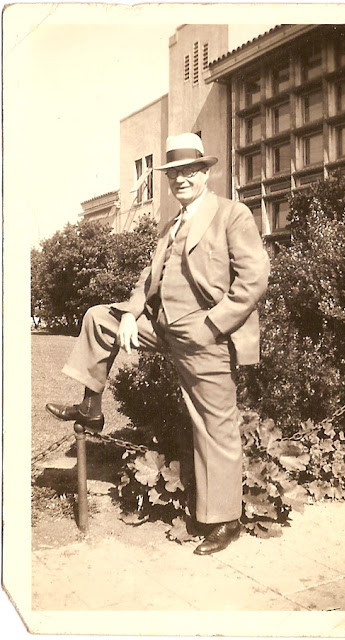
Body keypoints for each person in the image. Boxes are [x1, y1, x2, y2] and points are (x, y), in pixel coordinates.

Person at [46, 133, 270, 555]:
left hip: (207, 336)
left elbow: (254, 278)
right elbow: (149, 281)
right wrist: (131, 313)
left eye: (189, 171)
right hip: (163, 326)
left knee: (214, 424)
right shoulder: (171, 226)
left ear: (205, 172)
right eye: (174, 173)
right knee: (100, 319)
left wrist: (213, 324)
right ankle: (91, 408)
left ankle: (225, 520)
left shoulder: (231, 214)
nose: (181, 179)